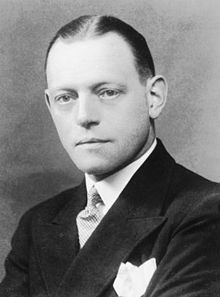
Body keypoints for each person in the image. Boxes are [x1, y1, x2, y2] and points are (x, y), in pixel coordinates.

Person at [1, 14, 220, 297]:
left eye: (107, 92)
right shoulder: (38, 224)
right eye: (65, 98)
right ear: (50, 105)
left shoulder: (206, 211)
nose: (84, 117)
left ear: (153, 97)